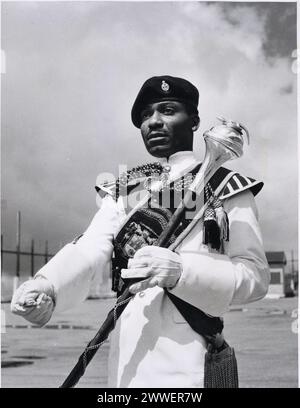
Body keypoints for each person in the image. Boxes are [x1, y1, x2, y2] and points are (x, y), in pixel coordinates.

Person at [11, 75, 270, 388]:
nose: (154, 122)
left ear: (194, 121)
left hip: (190, 364)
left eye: (167, 110)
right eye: (146, 115)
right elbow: (91, 250)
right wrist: (48, 285)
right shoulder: (126, 191)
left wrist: (183, 272)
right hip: (127, 366)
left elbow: (254, 277)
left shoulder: (227, 189)